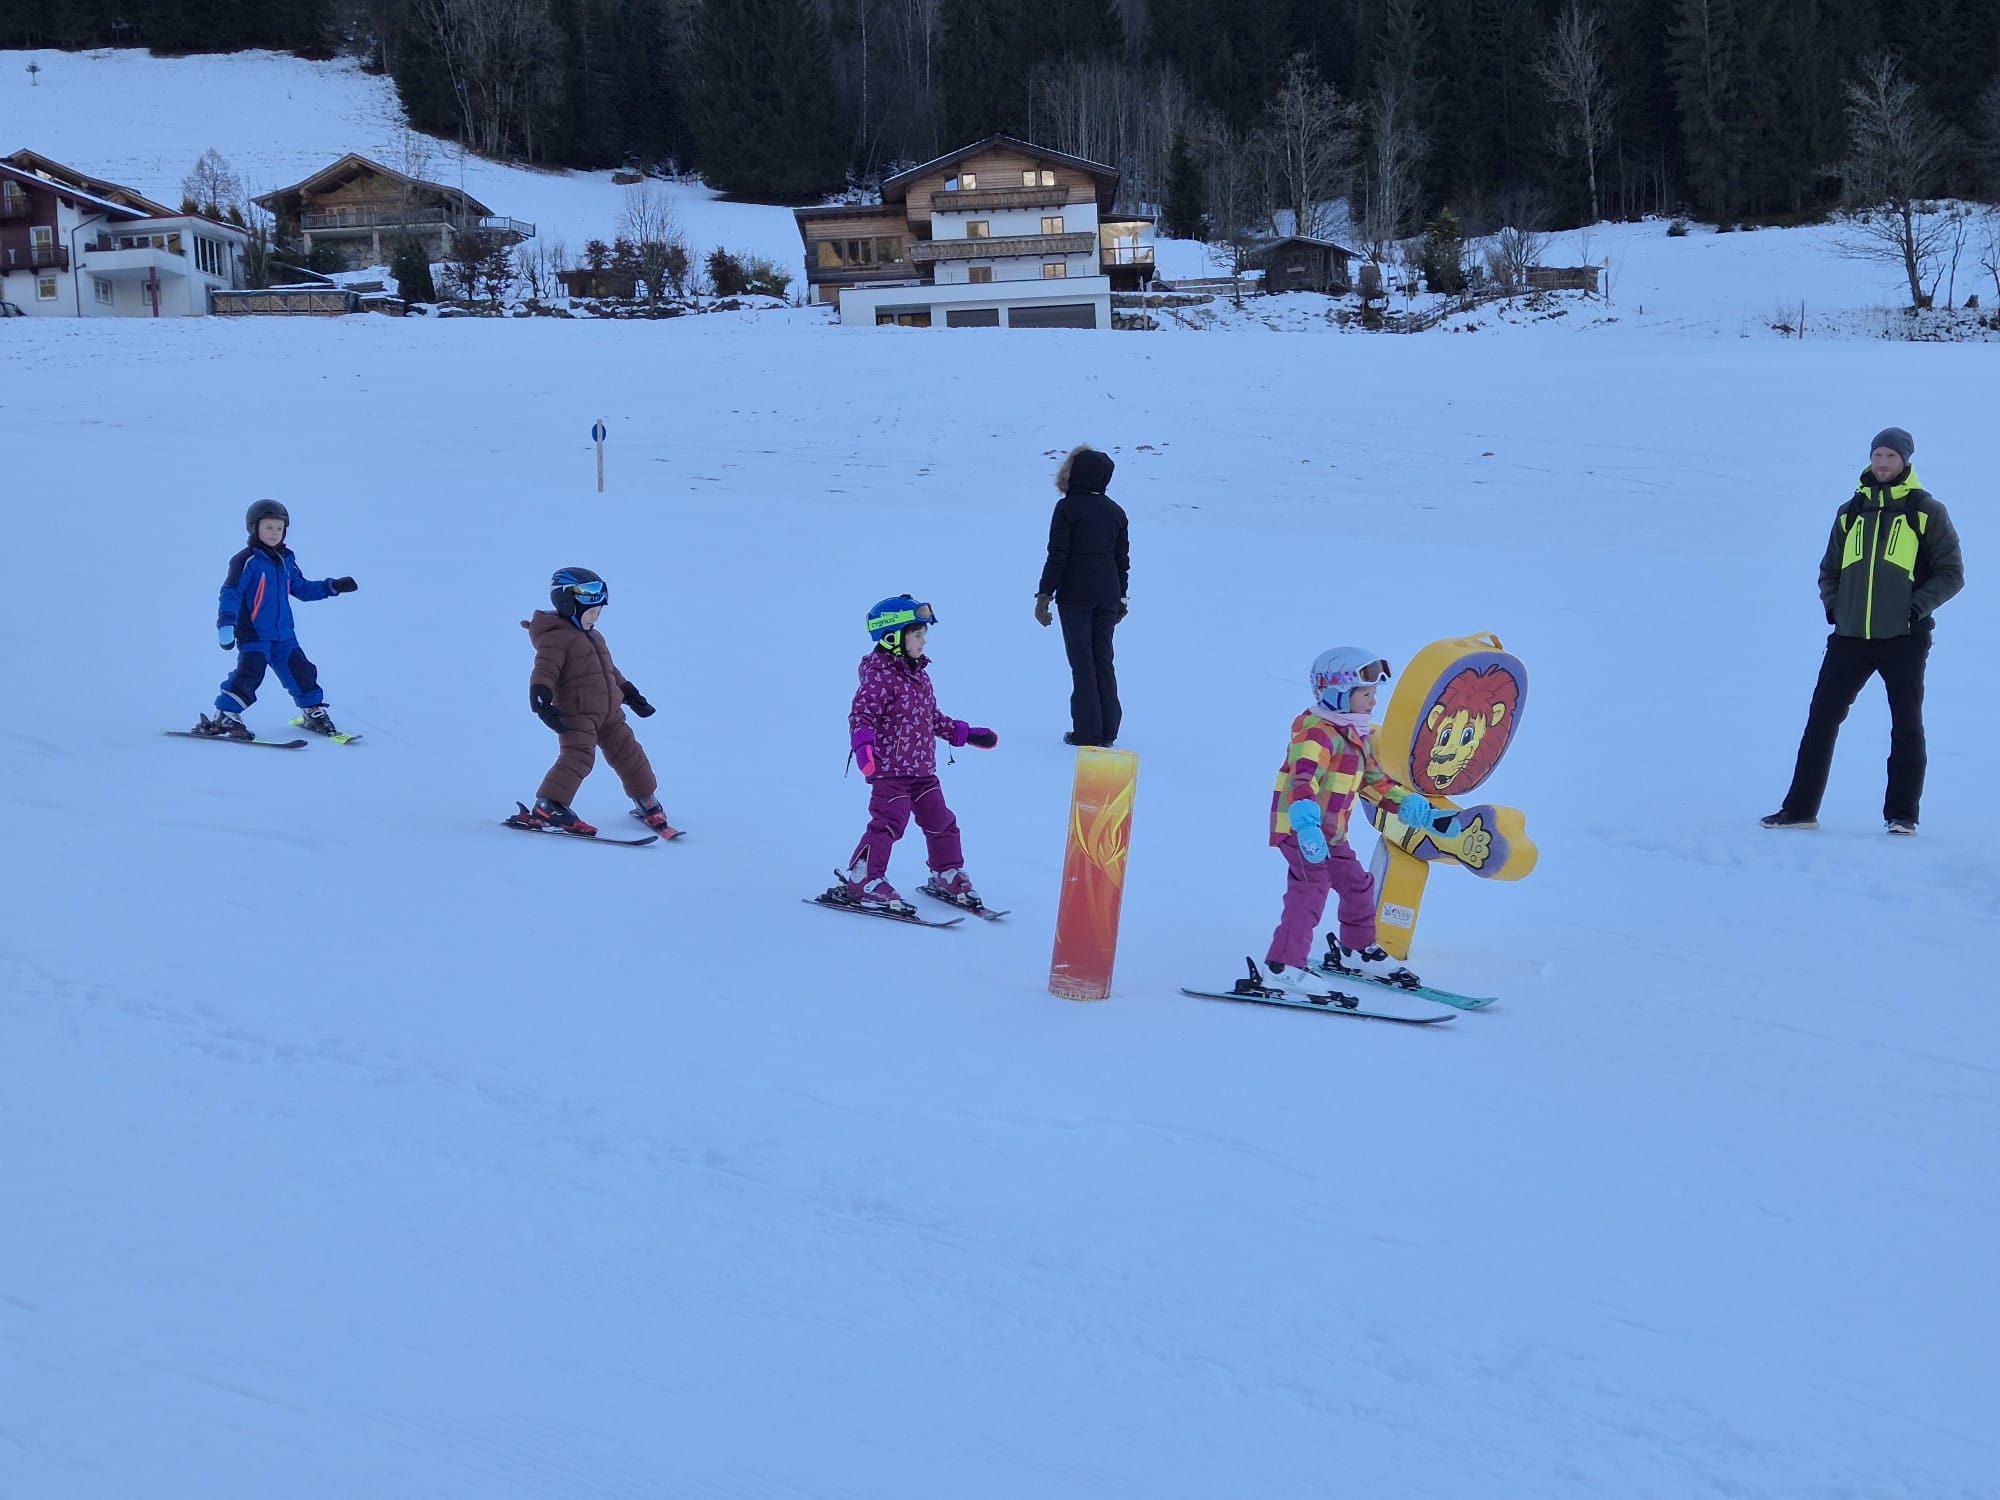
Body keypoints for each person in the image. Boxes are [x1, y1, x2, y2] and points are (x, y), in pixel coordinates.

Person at [1764, 426, 1963, 835]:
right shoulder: (1850, 511)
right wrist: (1835, 607)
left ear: (1905, 461)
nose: (1883, 463)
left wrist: (1913, 609)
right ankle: (1800, 810)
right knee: (1820, 721)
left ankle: (1901, 816)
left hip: (1903, 638)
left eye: (1891, 456)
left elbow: (1951, 573)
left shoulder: (1925, 511)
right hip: (1850, 637)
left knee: (1906, 725)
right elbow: (1829, 570)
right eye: (1878, 455)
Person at [1264, 647, 1453, 995]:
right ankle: (1283, 967)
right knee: (1311, 889)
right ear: (1337, 693)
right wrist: (1306, 825)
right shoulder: (1317, 734)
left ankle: (1357, 950)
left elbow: (1374, 782)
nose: (1373, 701)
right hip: (1302, 831)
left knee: (1357, 885)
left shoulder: (1354, 735)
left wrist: (1418, 810)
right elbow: (1301, 781)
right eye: (1365, 694)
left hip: (1330, 834)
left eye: (1374, 693)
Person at [828, 595, 997, 915]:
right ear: (892, 637)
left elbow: (932, 719)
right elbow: (861, 716)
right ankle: (863, 878)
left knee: (942, 821)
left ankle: (946, 872)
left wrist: (966, 734)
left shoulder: (920, 675)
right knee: (888, 824)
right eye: (917, 634)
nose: (923, 641)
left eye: (923, 634)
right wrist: (864, 750)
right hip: (890, 772)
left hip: (922, 770)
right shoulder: (880, 676)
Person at [517, 567, 673, 836]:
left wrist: (631, 694)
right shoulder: (556, 639)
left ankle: (646, 799)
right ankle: (549, 805)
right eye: (591, 612)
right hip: (577, 713)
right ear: (567, 604)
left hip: (610, 713)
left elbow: (608, 670)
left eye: (599, 612)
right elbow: (545, 669)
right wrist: (541, 700)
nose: (595, 617)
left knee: (630, 754)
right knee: (579, 756)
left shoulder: (594, 636)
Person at [193, 498, 357, 739]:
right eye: (268, 527)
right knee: (250, 673)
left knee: (302, 671)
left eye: (279, 528)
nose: (274, 533)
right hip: (254, 633)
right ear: (254, 528)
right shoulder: (246, 560)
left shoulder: (285, 560)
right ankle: (225, 715)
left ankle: (312, 710)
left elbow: (301, 588)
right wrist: (226, 622)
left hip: (284, 635)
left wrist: (332, 586)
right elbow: (231, 592)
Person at [1035, 445, 1129, 747]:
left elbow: (1057, 555)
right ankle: (1108, 730)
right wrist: (1122, 598)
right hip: (1108, 594)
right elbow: (1121, 560)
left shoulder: (1067, 508)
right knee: (1103, 659)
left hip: (1075, 595)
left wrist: (1044, 595)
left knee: (1082, 662)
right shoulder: (1115, 511)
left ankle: (1088, 732)